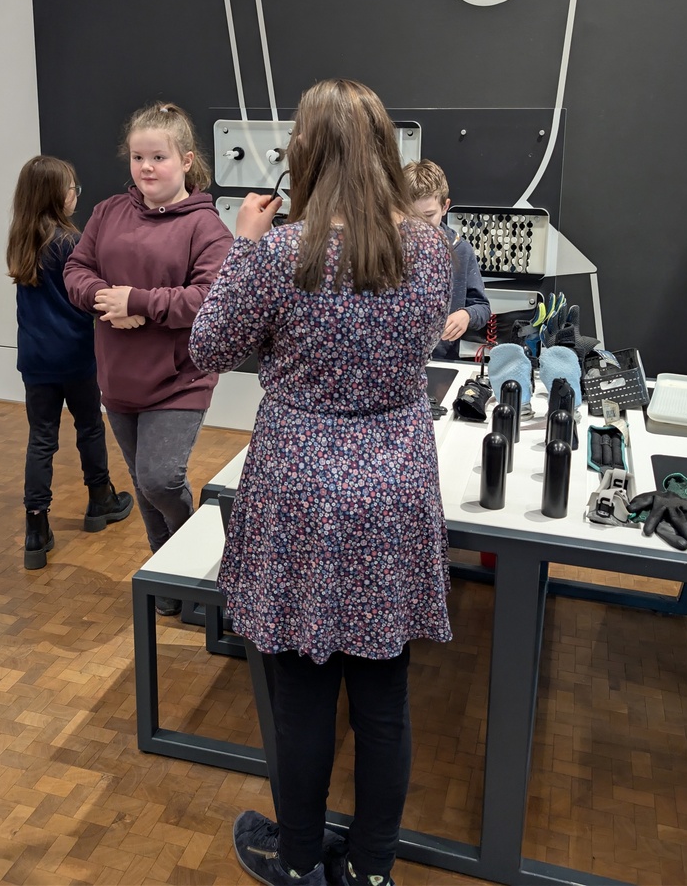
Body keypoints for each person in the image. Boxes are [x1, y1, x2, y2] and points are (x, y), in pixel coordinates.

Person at [190, 79, 453, 886]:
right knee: (383, 697)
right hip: (396, 481)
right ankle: (371, 870)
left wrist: (241, 243)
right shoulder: (431, 249)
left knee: (302, 693)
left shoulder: (279, 255)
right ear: (384, 152)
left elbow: (208, 345)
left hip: (300, 486)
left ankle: (300, 858)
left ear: (303, 152)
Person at [63, 102, 232, 614]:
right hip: (118, 378)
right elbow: (76, 269)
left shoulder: (207, 227)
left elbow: (208, 299)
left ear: (186, 160)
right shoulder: (108, 212)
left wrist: (137, 302)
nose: (147, 168)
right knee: (144, 485)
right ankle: (168, 575)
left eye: (159, 157)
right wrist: (104, 299)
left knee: (160, 479)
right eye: (138, 157)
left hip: (180, 380)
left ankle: (197, 562)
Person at [7, 156, 134, 571]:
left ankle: (36, 527)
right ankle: (100, 498)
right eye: (71, 187)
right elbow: (90, 296)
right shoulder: (69, 243)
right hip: (76, 356)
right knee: (89, 427)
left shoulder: (21, 240)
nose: (75, 193)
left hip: (35, 359)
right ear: (56, 196)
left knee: (41, 438)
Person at [404, 159, 491, 360]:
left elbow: (482, 307)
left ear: (445, 207)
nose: (420, 226)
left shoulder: (461, 250)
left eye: (429, 216)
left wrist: (466, 315)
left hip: (443, 361)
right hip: (397, 362)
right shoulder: (387, 250)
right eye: (411, 216)